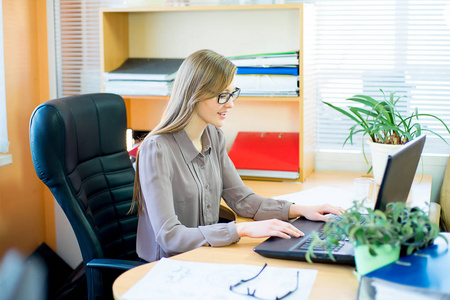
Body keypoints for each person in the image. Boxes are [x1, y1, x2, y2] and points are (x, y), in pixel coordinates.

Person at [132, 49, 344, 262]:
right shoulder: (157, 149)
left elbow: (242, 199)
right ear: (194, 94)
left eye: (233, 93)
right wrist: (242, 230)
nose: (231, 104)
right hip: (166, 266)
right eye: (223, 95)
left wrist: (302, 210)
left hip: (207, 255)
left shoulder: (213, 136)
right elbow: (169, 236)